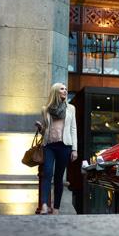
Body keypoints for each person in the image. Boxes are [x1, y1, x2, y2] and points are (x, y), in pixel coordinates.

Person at [35, 82, 78, 215]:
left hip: (65, 146)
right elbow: (46, 130)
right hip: (49, 145)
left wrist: (74, 149)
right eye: (62, 89)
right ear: (55, 92)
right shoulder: (46, 109)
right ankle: (43, 205)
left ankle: (56, 208)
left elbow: (73, 129)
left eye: (66, 89)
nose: (65, 91)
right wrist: (40, 128)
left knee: (59, 178)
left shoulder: (71, 108)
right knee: (47, 173)